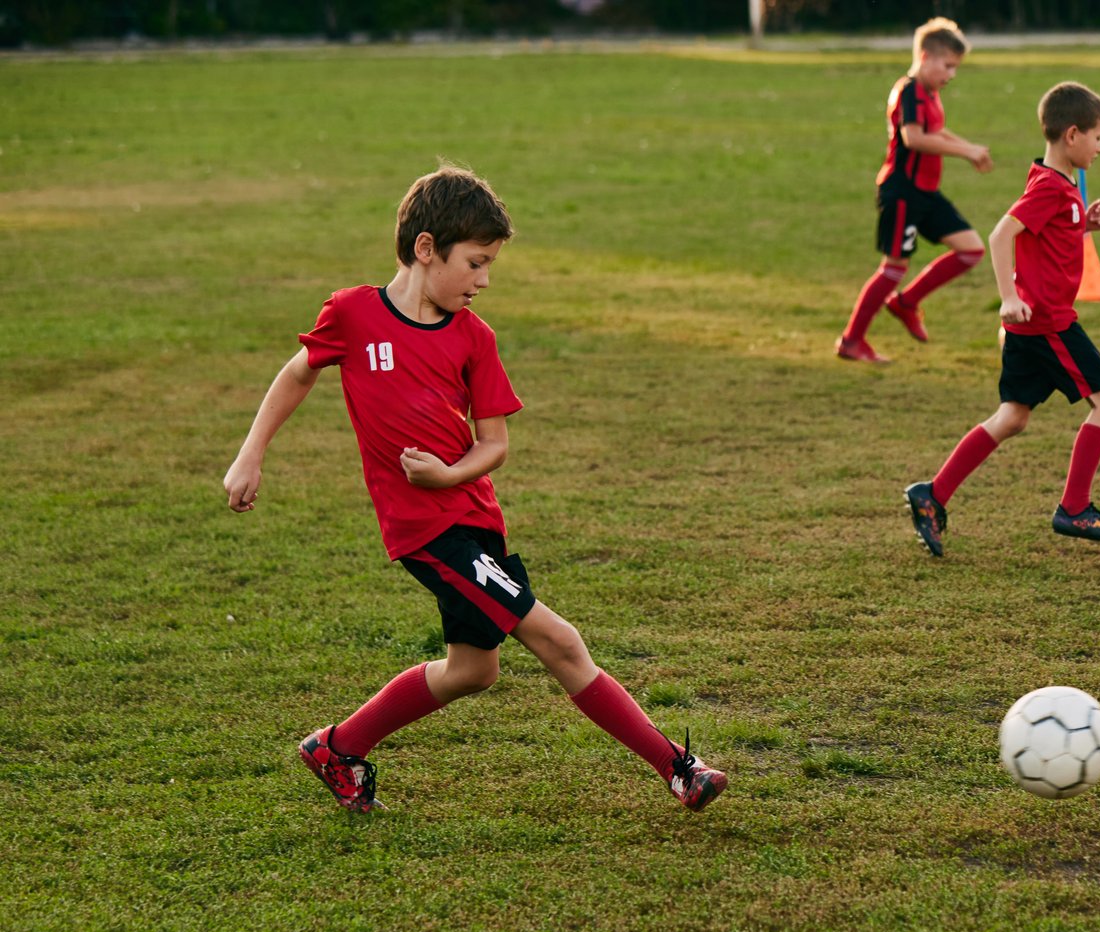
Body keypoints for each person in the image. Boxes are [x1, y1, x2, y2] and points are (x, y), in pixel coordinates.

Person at [221, 164, 726, 814]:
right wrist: (250, 455)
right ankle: (679, 769)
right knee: (560, 642)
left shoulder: (473, 338)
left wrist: (447, 474)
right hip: (427, 534)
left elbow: (495, 444)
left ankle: (338, 748)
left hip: (474, 520)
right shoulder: (351, 314)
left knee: (473, 670)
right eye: (476, 263)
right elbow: (296, 374)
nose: (485, 280)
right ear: (426, 249)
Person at [903, 82, 1100, 557]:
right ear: (1072, 135)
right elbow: (1001, 234)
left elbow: (1041, 236)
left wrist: (1081, 223)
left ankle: (933, 494)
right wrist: (1007, 297)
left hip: (1032, 327)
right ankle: (1075, 507)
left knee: (1012, 417)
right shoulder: (1050, 187)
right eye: (1098, 136)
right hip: (1049, 324)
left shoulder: (1057, 187)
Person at [835, 17, 993, 365]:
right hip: (902, 193)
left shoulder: (930, 93)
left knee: (972, 250)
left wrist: (971, 147)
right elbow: (915, 138)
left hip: (925, 193)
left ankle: (906, 303)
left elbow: (937, 130)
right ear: (925, 56)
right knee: (893, 268)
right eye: (947, 65)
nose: (951, 74)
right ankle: (851, 341)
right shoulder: (908, 91)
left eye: (955, 68)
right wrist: (966, 152)